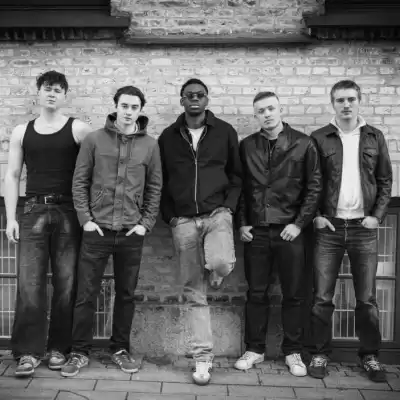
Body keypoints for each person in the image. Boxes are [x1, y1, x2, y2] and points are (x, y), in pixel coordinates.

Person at [60, 86, 162, 377]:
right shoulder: (94, 140)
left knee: (126, 294)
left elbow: (155, 187)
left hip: (131, 232)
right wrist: (85, 220)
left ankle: (119, 349)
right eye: (124, 106)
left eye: (134, 107)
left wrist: (145, 224)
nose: (129, 112)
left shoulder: (150, 146)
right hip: (97, 231)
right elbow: (80, 181)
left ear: (140, 110)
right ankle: (79, 352)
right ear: (116, 106)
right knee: (85, 293)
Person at [4, 70, 92, 377]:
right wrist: (10, 218)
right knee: (30, 283)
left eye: (57, 89)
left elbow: (96, 168)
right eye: (47, 88)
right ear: (38, 93)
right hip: (33, 209)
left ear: (65, 95)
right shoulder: (22, 131)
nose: (52, 93)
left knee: (67, 283)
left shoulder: (78, 129)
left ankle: (60, 349)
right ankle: (28, 352)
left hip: (69, 210)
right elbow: (12, 175)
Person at [158, 78, 242, 385]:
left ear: (207, 99)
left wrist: (229, 207)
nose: (195, 98)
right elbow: (160, 180)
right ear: (181, 100)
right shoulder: (168, 137)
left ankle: (216, 269)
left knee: (221, 262)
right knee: (194, 292)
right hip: (183, 221)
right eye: (189, 95)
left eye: (200, 95)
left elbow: (237, 175)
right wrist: (170, 217)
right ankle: (203, 358)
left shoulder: (225, 132)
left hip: (217, 214)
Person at [307, 80, 392, 382]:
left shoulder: (374, 137)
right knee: (322, 297)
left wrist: (377, 217)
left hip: (363, 228)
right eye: (340, 100)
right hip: (329, 228)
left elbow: (385, 181)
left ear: (359, 101)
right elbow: (311, 182)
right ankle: (319, 354)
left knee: (366, 299)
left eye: (351, 99)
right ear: (332, 103)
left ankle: (370, 356)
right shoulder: (319, 138)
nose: (346, 105)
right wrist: (317, 217)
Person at [235, 91, 322, 377]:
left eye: (271, 108)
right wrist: (243, 222)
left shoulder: (303, 143)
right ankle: (254, 349)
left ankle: (293, 351)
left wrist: (299, 223)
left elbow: (314, 187)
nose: (267, 114)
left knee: (294, 293)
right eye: (261, 111)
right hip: (257, 230)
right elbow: (241, 187)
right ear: (255, 115)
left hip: (290, 231)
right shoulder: (247, 145)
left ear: (280, 109)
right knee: (256, 293)